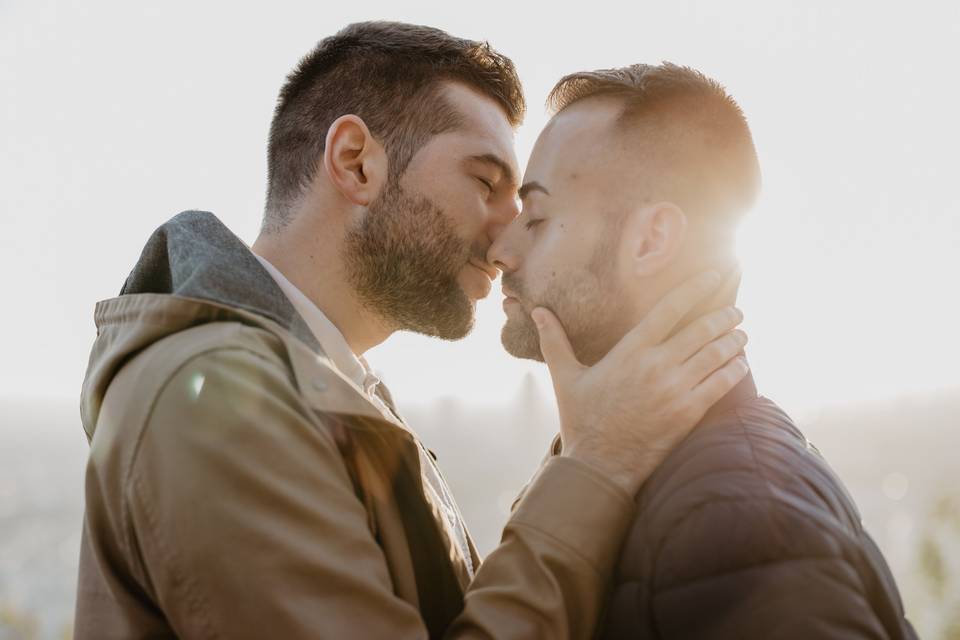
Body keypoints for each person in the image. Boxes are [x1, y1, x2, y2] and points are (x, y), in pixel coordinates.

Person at [74, 23, 749, 638]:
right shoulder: (218, 399)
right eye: (486, 182)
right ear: (356, 162)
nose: (508, 235)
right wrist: (598, 463)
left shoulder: (328, 387)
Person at [488, 62, 918, 639]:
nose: (500, 249)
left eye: (535, 218)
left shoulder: (733, 516)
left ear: (651, 240)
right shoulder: (674, 480)